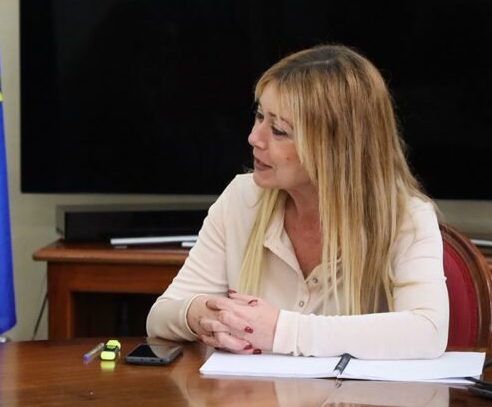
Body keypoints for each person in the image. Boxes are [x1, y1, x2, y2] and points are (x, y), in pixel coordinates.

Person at [146, 45, 448, 359]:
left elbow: (428, 332)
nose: (254, 138)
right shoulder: (241, 198)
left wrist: (281, 330)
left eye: (279, 130)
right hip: (249, 393)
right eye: (259, 116)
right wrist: (200, 315)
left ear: (335, 148)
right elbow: (160, 316)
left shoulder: (406, 216)